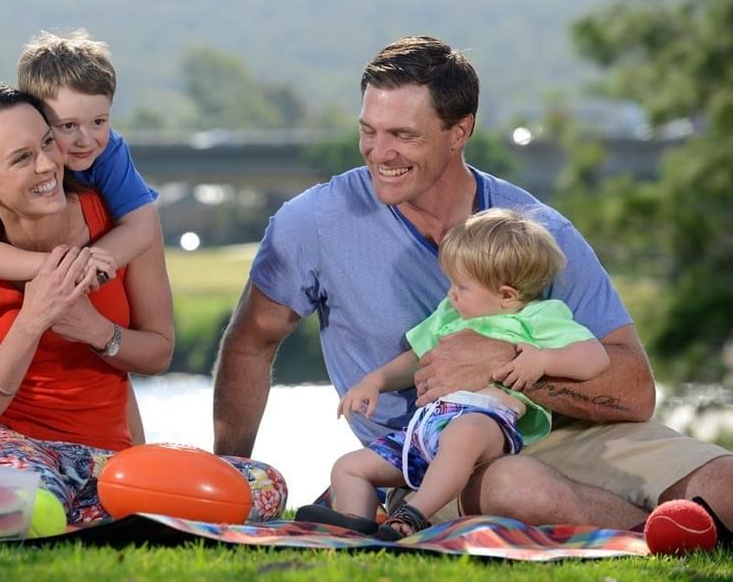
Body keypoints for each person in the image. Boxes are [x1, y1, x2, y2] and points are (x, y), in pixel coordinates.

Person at [212, 35, 732, 538]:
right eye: (368, 130)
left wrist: (501, 362)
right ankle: (668, 531)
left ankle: (690, 521)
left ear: (459, 131)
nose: (379, 153)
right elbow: (251, 343)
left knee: (726, 484)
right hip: (435, 458)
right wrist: (227, 481)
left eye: (403, 135)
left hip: (565, 432)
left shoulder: (535, 231)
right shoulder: (314, 222)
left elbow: (634, 392)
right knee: (513, 487)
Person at [0, 84, 284, 525]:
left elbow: (158, 352)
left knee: (261, 486)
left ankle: (32, 510)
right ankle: (35, 508)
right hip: (9, 448)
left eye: (47, 143)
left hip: (108, 461)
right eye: (21, 158)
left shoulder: (124, 224)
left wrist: (95, 330)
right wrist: (33, 320)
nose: (47, 165)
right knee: (26, 499)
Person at [298, 208, 609, 539]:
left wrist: (544, 361)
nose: (451, 294)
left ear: (507, 295)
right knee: (349, 466)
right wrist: (374, 382)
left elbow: (594, 357)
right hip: (426, 431)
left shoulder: (539, 317)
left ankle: (413, 515)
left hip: (486, 425)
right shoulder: (450, 315)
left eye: (462, 286)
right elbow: (419, 359)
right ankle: (355, 526)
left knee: (463, 434)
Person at [0, 30, 158, 443]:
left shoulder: (110, 156)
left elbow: (143, 226)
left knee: (261, 485)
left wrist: (97, 262)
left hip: (102, 443)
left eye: (99, 121)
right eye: (66, 127)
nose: (86, 140)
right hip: (15, 442)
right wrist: (63, 271)